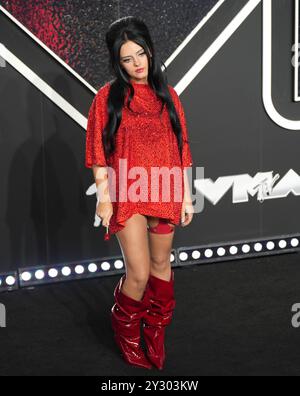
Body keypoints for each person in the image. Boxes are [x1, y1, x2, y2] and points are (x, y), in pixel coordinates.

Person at [85, 16, 194, 370]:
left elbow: (182, 148)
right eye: (127, 59)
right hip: (126, 194)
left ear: (150, 51)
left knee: (163, 264)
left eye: (141, 54)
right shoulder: (106, 98)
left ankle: (156, 329)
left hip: (165, 188)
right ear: (117, 62)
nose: (137, 64)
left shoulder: (168, 96)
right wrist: (104, 197)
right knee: (140, 273)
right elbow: (98, 154)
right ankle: (126, 328)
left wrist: (186, 195)